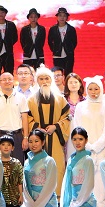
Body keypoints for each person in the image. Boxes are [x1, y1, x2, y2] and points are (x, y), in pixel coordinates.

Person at [71, 76, 105, 207]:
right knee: (85, 177)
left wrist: (96, 146)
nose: (93, 92)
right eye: (90, 89)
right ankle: (86, 206)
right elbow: (77, 126)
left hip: (102, 149)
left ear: (101, 89)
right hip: (85, 148)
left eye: (96, 89)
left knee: (101, 179)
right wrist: (87, 145)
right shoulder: (80, 106)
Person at [27, 66, 70, 194]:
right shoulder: (31, 100)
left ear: (51, 80)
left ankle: (57, 197)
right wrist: (37, 128)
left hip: (55, 138)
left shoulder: (60, 99)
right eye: (41, 79)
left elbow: (67, 118)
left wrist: (55, 126)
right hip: (37, 139)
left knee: (57, 167)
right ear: (37, 81)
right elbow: (27, 119)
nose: (44, 81)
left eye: (47, 78)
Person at [9, 129, 58, 207]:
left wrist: (38, 204)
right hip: (30, 200)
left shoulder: (49, 161)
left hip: (46, 199)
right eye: (30, 141)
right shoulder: (27, 161)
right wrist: (29, 202)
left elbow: (51, 185)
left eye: (36, 141)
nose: (33, 144)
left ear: (43, 142)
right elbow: (25, 185)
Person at [59, 127, 97, 207]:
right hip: (73, 199)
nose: (77, 142)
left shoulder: (88, 160)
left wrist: (77, 203)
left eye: (80, 139)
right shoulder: (71, 159)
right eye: (74, 139)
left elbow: (89, 185)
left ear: (86, 140)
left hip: (85, 200)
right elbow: (67, 182)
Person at [0, 72, 30, 162]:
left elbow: (25, 119)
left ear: (13, 81)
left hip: (17, 136)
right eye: (4, 80)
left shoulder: (21, 97)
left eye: (9, 79)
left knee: (18, 164)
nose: (7, 81)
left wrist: (26, 138)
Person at [0, 134, 23, 207]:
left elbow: (20, 181)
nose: (6, 147)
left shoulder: (16, 163)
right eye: (3, 144)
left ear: (12, 148)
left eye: (9, 145)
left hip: (14, 199)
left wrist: (21, 195)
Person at [47, 7, 77, 75]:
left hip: (69, 56)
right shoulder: (53, 29)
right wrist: (55, 50)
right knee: (58, 74)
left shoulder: (71, 29)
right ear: (57, 17)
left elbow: (74, 42)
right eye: (60, 15)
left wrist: (70, 50)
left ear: (67, 17)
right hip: (57, 56)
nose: (62, 18)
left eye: (64, 16)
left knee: (68, 74)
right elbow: (50, 41)